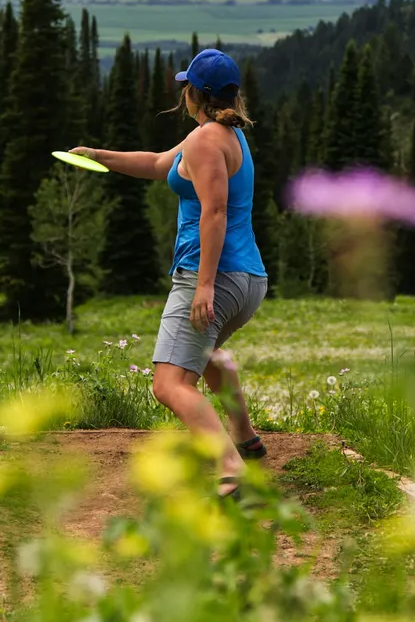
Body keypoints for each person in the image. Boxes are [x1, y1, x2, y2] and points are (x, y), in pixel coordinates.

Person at [69, 48, 269, 499]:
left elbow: (214, 212)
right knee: (206, 357)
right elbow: (160, 163)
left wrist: (202, 286)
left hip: (214, 276)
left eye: (186, 87)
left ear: (195, 94)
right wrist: (99, 156)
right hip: (248, 279)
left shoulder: (204, 141)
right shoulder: (223, 135)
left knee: (170, 384)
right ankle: (246, 439)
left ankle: (230, 470)